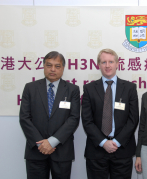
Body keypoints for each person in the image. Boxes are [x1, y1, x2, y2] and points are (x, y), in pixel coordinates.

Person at [19, 51, 80, 179]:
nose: (53, 69)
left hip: (62, 151)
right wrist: (41, 145)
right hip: (36, 151)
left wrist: (52, 142)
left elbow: (73, 119)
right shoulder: (30, 88)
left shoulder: (72, 90)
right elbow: (25, 118)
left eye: (57, 66)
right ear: (43, 66)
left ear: (63, 68)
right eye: (49, 65)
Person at [82, 48, 139, 179]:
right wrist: (103, 142)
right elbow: (87, 120)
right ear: (98, 65)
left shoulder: (130, 88)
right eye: (103, 62)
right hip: (96, 150)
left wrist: (117, 142)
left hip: (122, 150)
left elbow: (133, 119)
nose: (107, 65)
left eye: (111, 62)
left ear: (117, 64)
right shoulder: (89, 89)